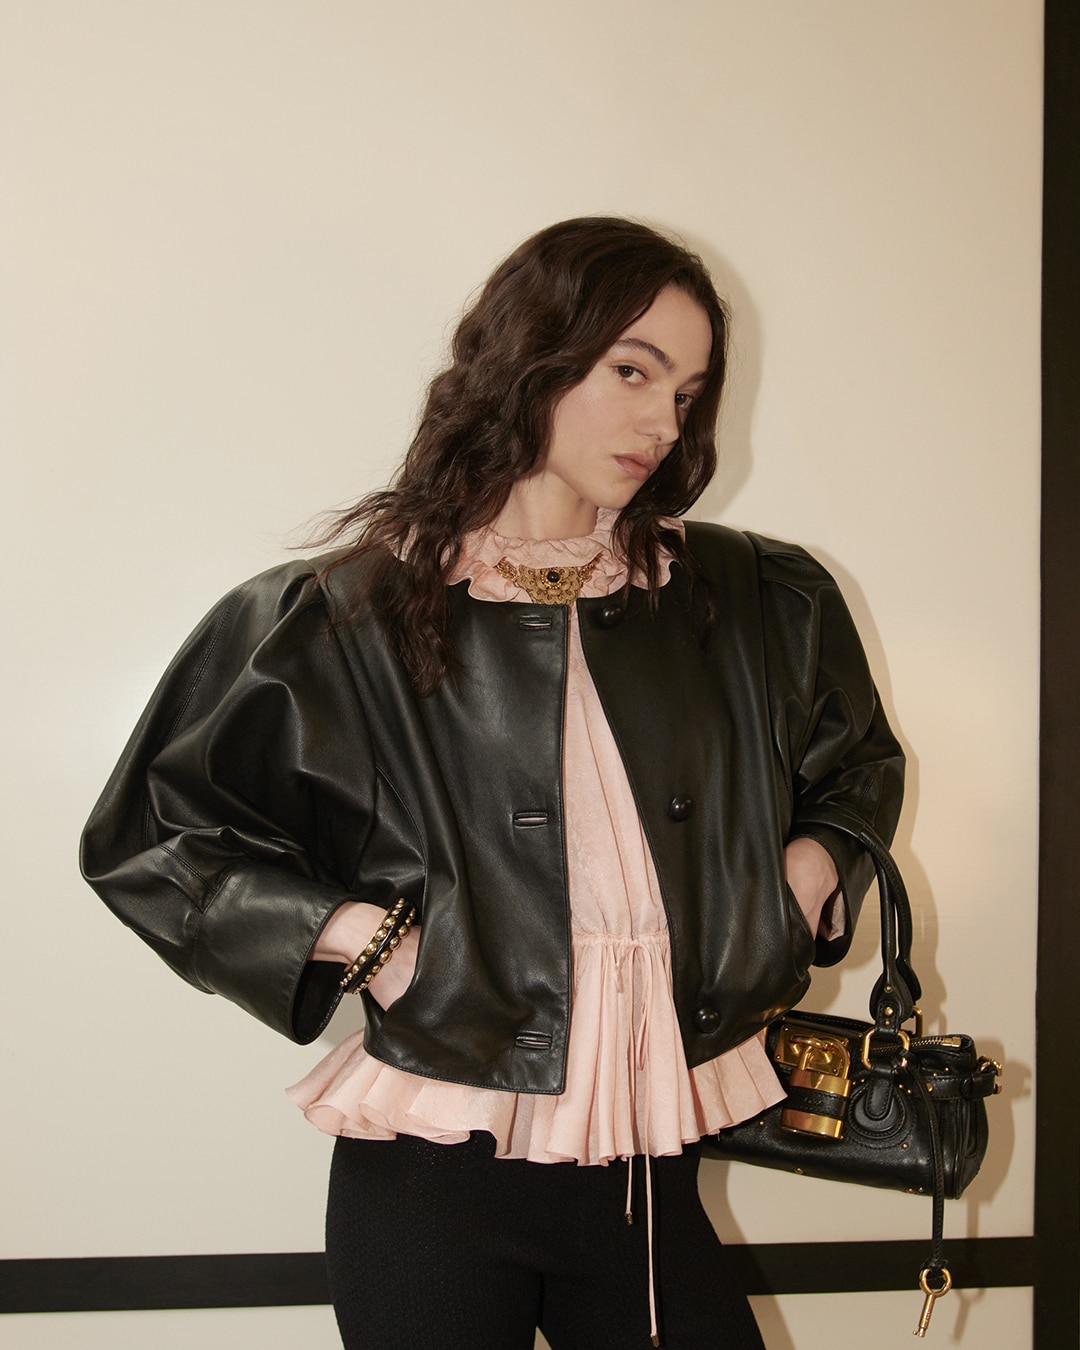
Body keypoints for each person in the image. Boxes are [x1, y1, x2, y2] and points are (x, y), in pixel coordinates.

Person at [81, 216, 904, 1350]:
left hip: (650, 1180)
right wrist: (366, 939)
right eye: (632, 372)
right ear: (532, 356)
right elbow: (154, 841)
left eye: (688, 391)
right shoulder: (338, 617)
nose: (665, 424)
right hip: (432, 1177)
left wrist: (808, 870)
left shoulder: (751, 597)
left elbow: (855, 764)